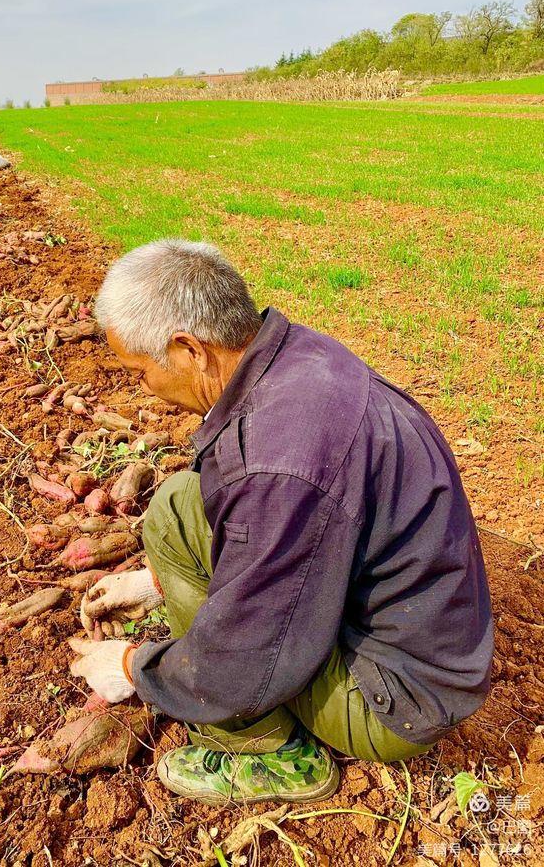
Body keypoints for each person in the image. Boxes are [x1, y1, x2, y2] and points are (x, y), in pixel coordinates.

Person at [69, 239, 493, 807]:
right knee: (176, 506)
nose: (141, 386)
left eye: (140, 371)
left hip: (398, 696)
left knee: (232, 654)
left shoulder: (281, 463)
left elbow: (243, 659)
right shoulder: (293, 355)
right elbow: (298, 529)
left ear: (189, 349)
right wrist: (151, 585)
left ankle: (269, 754)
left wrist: (130, 667)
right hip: (411, 619)